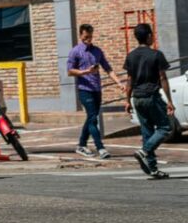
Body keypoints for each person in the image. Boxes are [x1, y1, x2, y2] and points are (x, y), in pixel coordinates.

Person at [123, 23, 174, 178]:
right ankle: (144, 151)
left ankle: (152, 169)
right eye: (152, 34)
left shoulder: (131, 56)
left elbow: (129, 81)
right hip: (151, 96)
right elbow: (162, 78)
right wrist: (170, 101)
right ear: (149, 36)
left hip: (137, 98)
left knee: (147, 132)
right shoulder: (156, 54)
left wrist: (127, 100)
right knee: (165, 127)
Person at [66, 23, 124, 158]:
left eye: (90, 37)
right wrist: (87, 71)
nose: (89, 39)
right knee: (93, 119)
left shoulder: (97, 51)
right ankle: (101, 148)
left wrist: (119, 83)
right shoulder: (75, 51)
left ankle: (81, 145)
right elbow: (69, 71)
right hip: (84, 90)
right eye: (86, 37)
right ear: (80, 35)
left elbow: (108, 68)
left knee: (91, 118)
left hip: (97, 89)